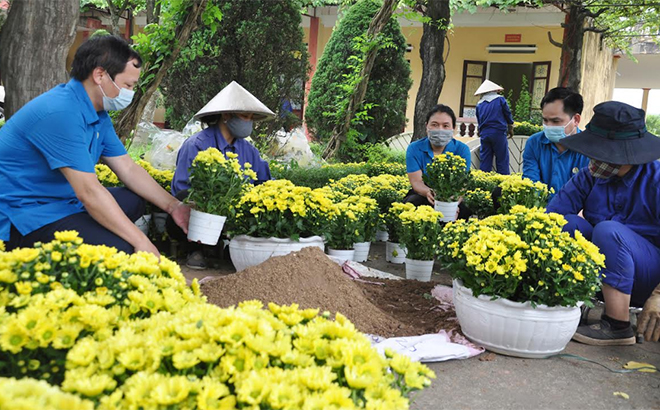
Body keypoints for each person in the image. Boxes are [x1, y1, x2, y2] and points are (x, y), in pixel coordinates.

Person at [0, 35, 189, 256]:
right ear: (100, 75)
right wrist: (142, 242)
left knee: (133, 201)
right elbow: (89, 192)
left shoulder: (97, 114)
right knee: (122, 250)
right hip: (23, 215)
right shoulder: (61, 112)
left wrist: (174, 206)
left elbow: (127, 168)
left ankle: (91, 231)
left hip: (61, 203)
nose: (130, 92)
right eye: (128, 85)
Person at [546, 101, 660, 345]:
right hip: (601, 273)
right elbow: (551, 218)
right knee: (567, 225)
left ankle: (617, 325)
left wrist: (659, 295)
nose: (595, 160)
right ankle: (571, 302)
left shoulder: (656, 181)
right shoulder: (590, 176)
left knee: (608, 231)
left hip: (648, 277)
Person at [169, 81, 275, 269]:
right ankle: (196, 249)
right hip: (200, 216)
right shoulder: (196, 145)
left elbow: (265, 183)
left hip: (236, 215)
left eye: (251, 117)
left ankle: (234, 248)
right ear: (226, 115)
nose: (248, 122)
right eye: (244, 116)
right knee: (188, 199)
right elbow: (181, 189)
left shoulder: (249, 150)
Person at [522, 87, 589, 198]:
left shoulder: (589, 150)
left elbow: (587, 193)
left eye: (556, 121)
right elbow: (531, 184)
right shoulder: (534, 143)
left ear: (576, 120)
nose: (549, 126)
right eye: (545, 120)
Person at [404, 104, 471, 207]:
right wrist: (428, 192)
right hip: (424, 194)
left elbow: (462, 184)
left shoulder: (462, 150)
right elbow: (417, 182)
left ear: (453, 128)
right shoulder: (414, 148)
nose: (440, 129)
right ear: (426, 126)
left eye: (445, 126)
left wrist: (452, 205)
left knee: (465, 209)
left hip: (452, 194)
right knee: (412, 202)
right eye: (434, 125)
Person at [475, 80, 514, 174]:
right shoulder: (500, 100)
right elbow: (507, 113)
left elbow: (479, 120)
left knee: (485, 160)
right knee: (502, 159)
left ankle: (484, 182)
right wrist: (510, 125)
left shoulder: (479, 104)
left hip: (485, 133)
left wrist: (480, 130)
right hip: (498, 133)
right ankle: (503, 182)